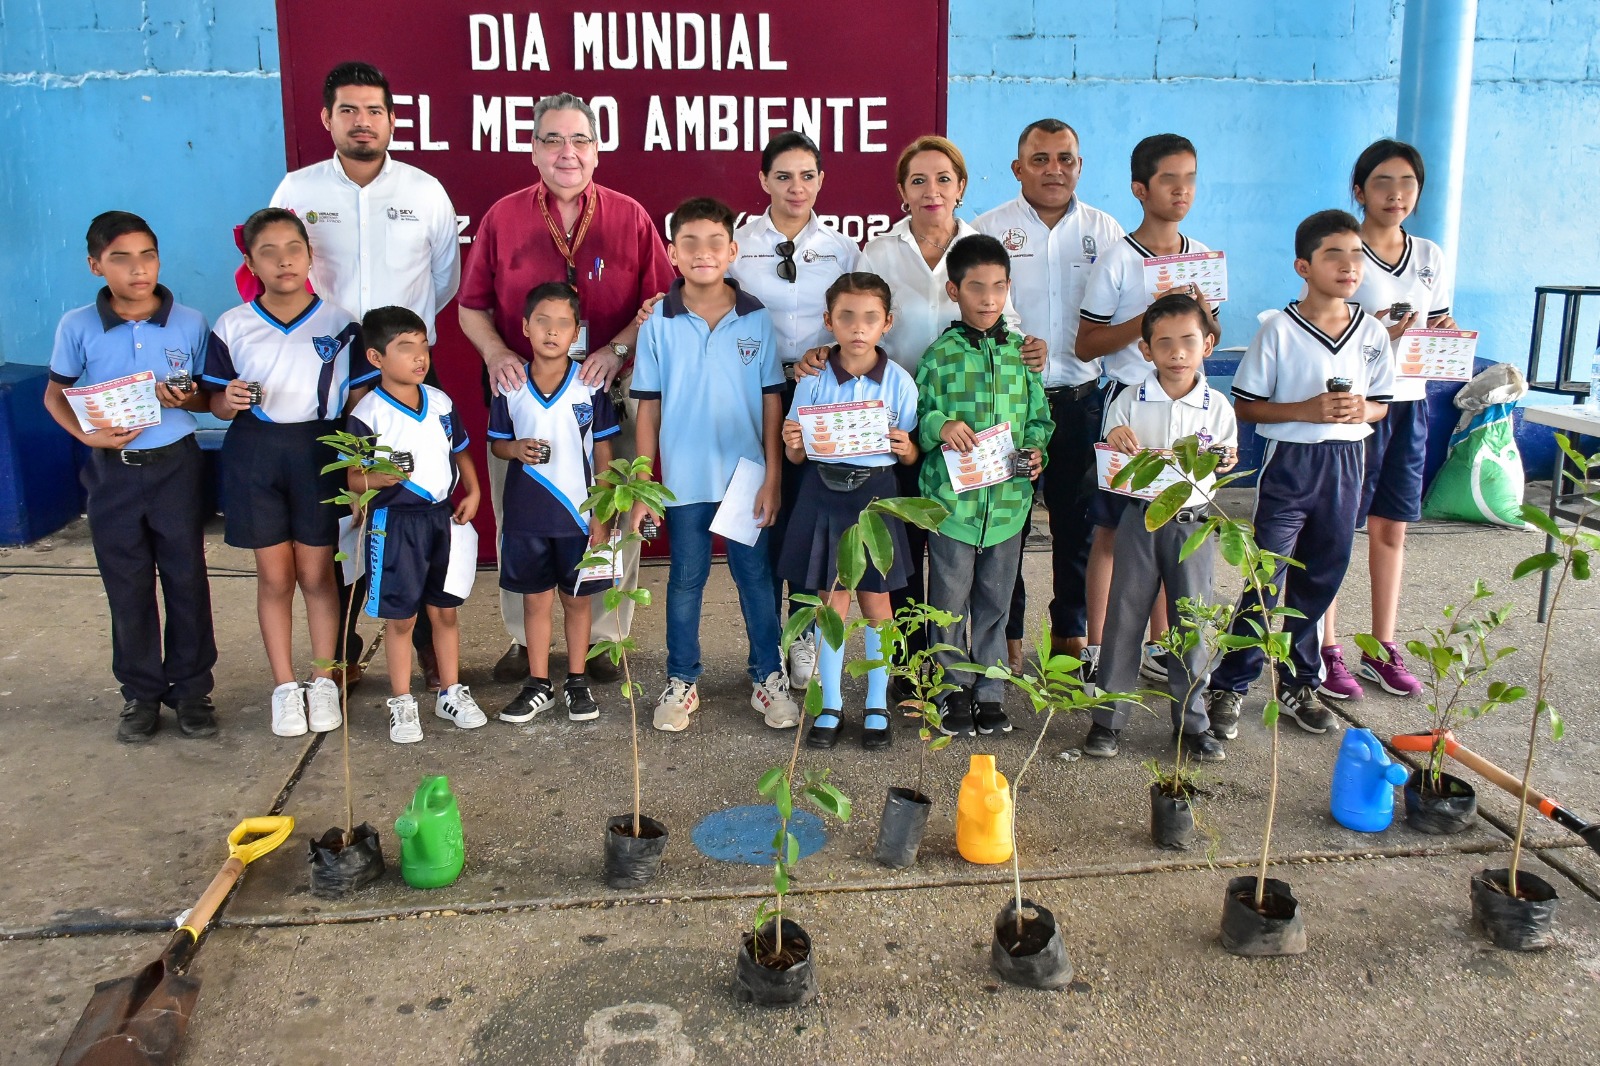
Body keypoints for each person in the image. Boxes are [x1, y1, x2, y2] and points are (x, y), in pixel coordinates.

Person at [458, 92, 675, 687]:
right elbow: (470, 309)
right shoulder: (502, 217)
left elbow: (659, 305)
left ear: (597, 151)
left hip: (608, 394)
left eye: (579, 140)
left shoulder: (630, 216)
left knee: (609, 511)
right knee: (519, 516)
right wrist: (498, 351)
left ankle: (606, 638)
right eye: (552, 140)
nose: (566, 152)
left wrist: (617, 349)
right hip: (524, 400)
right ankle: (519, 637)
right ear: (532, 151)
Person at [271, 60, 462, 690]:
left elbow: (443, 281)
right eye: (348, 110)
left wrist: (397, 352)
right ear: (326, 118)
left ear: (391, 118)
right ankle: (345, 647)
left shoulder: (424, 191)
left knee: (417, 502)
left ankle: (432, 648)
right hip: (323, 380)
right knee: (346, 510)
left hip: (401, 377)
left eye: (374, 110)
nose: (363, 122)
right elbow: (277, 273)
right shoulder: (298, 191)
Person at [1205, 209, 1393, 740]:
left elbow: (1381, 403)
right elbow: (1246, 407)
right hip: (1290, 463)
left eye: (1357, 255)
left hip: (1346, 465)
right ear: (1303, 266)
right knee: (1268, 576)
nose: (1349, 265)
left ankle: (1299, 682)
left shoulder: (1372, 332)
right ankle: (1231, 683)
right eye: (1334, 254)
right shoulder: (1279, 330)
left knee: (1321, 578)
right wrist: (1306, 410)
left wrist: (1362, 412)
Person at [42, 212, 218, 742]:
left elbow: (206, 397)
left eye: (147, 256)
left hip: (177, 465)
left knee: (186, 578)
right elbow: (55, 394)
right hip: (112, 472)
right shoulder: (77, 326)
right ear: (96, 265)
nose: (137, 270)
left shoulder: (188, 321)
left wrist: (189, 397)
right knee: (127, 583)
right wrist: (89, 436)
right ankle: (141, 694)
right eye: (121, 258)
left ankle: (191, 691)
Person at [202, 208, 377, 738]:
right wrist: (226, 401)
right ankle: (284, 687)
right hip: (255, 453)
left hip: (319, 451)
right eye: (268, 252)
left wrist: (359, 471)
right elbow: (212, 401)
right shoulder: (233, 324)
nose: (283, 261)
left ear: (309, 254)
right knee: (275, 577)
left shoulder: (341, 323)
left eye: (292, 249)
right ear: (251, 261)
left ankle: (324, 681)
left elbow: (362, 401)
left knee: (319, 576)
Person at [628, 197, 799, 733]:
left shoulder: (755, 317)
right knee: (686, 579)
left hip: (746, 478)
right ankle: (681, 681)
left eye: (713, 243)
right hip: (682, 480)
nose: (702, 253)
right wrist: (641, 486)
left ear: (733, 250)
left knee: (755, 579)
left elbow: (773, 400)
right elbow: (648, 406)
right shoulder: (658, 320)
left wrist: (772, 476)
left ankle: (767, 678)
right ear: (672, 252)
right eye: (689, 243)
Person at [976, 118, 1124, 673]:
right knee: (1006, 528)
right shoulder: (989, 230)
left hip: (1082, 400)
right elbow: (977, 306)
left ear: (1079, 166)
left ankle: (1070, 639)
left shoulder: (1105, 231)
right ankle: (1007, 640)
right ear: (1018, 169)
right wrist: (1014, 344)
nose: (1054, 169)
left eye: (1065, 158)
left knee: (1077, 529)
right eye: (1040, 159)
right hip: (1010, 407)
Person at [1317, 139, 1457, 702]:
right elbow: (1321, 327)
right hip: (1355, 406)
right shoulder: (1344, 250)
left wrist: (1441, 333)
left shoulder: (1427, 256)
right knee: (1334, 529)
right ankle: (1323, 647)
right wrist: (1370, 328)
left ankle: (1381, 646)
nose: (1395, 194)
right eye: (1382, 182)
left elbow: (1441, 318)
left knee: (1391, 526)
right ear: (1359, 190)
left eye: (1407, 183)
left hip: (1411, 401)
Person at [1076, 133, 1220, 677]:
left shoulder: (1202, 258)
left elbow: (1211, 335)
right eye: (1168, 180)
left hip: (1186, 412)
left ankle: (1164, 646)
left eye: (1190, 178)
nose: (1182, 191)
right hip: (1128, 411)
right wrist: (1150, 318)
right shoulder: (1118, 259)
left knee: (1170, 524)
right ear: (1140, 188)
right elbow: (1086, 344)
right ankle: (1096, 646)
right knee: (1113, 533)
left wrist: (1202, 315)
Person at [730, 130, 863, 692]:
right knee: (757, 519)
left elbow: (859, 317)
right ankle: (764, 648)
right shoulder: (738, 244)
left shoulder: (841, 249)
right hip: (750, 393)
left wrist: (829, 353)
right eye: (783, 175)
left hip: (817, 395)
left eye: (807, 175)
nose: (796, 187)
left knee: (812, 521)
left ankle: (804, 634)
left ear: (822, 181)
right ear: (763, 181)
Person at [1080, 294, 1237, 761]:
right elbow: (1111, 455)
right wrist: (1114, 437)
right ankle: (1108, 719)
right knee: (1124, 617)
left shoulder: (1217, 406)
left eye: (1188, 341)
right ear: (1146, 350)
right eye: (1164, 343)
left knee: (1191, 622)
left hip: (1193, 527)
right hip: (1139, 520)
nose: (1177, 352)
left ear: (1207, 345)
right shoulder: (1129, 400)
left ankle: (1192, 723)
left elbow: (1228, 457)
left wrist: (1226, 459)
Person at [916, 234, 1052, 738]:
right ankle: (952, 688)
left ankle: (990, 690)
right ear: (954, 291)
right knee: (949, 599)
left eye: (998, 286)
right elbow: (919, 416)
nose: (989, 298)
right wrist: (941, 427)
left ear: (1009, 288)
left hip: (1009, 505)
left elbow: (1039, 418)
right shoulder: (939, 355)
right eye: (976, 287)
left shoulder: (1022, 354)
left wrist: (1038, 450)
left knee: (996, 599)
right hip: (952, 506)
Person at [778, 272, 919, 751]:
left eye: (870, 318)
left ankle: (877, 701)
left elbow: (909, 452)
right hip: (823, 491)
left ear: (887, 323)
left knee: (877, 604)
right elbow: (797, 456)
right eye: (846, 317)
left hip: (875, 496)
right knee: (831, 603)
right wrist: (792, 443)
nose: (858, 328)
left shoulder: (899, 382)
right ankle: (832, 702)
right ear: (828, 322)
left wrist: (907, 450)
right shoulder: (813, 380)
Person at [346, 306, 484, 744]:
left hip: (440, 517)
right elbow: (350, 476)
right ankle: (402, 702)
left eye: (423, 346)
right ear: (375, 358)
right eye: (406, 348)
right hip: (395, 522)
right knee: (401, 617)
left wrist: (474, 491)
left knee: (445, 610)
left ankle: (451, 690)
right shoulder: (368, 413)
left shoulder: (440, 401)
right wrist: (375, 478)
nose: (419, 357)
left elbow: (459, 450)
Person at [488, 282, 620, 725]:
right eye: (542, 321)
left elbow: (603, 450)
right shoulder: (509, 385)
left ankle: (577, 681)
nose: (552, 331)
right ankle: (538, 683)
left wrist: (605, 510)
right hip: (527, 515)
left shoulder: (591, 386)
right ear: (525, 327)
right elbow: (497, 445)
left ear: (576, 332)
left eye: (563, 323)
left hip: (578, 516)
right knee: (535, 601)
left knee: (578, 601)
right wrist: (516, 448)